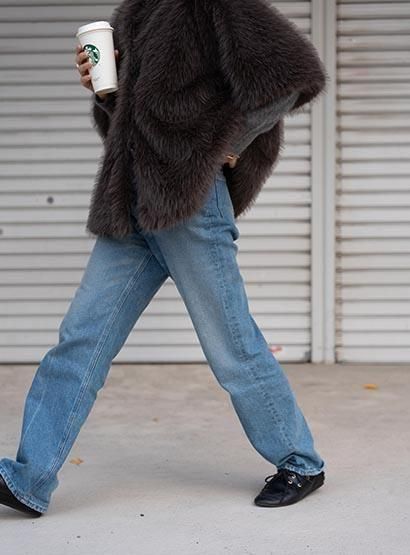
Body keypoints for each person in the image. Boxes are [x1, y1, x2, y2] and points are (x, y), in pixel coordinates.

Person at [0, 12, 325, 519]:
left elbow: (297, 74)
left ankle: (301, 461)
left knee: (230, 345)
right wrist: (103, 90)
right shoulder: (134, 14)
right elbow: (133, 121)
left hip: (189, 200)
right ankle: (29, 478)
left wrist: (228, 145)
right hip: (130, 201)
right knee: (80, 341)